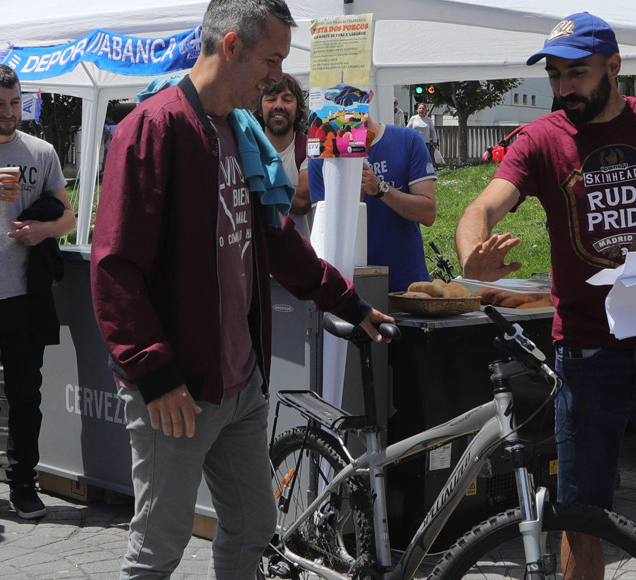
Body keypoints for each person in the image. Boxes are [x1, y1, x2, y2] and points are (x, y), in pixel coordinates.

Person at [89, 1, 392, 577]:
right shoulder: (153, 128)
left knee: (255, 527)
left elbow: (276, 241)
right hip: (177, 389)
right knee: (157, 550)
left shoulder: (237, 130)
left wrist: (347, 301)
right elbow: (116, 267)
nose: (277, 76)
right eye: (272, 58)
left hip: (241, 383)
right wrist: (154, 374)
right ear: (231, 47)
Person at [455, 12, 636, 580]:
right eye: (554, 75)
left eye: (576, 73)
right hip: (586, 352)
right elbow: (481, 207)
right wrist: (472, 255)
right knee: (581, 515)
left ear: (614, 66)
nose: (562, 87)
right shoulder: (540, 139)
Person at [0, 64, 75, 525]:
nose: (9, 113)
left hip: (23, 296)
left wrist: (43, 230)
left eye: (15, 103)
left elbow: (68, 217)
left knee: (26, 395)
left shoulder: (42, 151)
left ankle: (23, 484)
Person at [309, 99, 437, 292]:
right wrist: (353, 189)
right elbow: (325, 232)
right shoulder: (322, 157)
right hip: (348, 289)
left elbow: (427, 214)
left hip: (406, 287)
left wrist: (381, 190)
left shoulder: (408, 139)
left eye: (348, 98)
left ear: (368, 96)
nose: (341, 108)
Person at [256, 73, 311, 237]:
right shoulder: (248, 148)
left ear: (298, 109)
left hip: (302, 257)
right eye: (271, 99)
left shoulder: (310, 148)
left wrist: (256, 183)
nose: (279, 106)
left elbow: (302, 201)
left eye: (287, 100)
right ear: (259, 108)